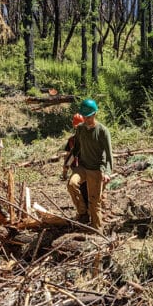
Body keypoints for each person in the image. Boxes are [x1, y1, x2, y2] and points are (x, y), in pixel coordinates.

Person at [67, 99, 114, 233]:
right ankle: (82, 212)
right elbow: (76, 149)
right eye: (84, 116)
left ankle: (97, 230)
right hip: (82, 167)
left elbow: (110, 155)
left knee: (95, 203)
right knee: (71, 184)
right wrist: (67, 164)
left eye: (88, 117)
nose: (86, 119)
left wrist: (108, 172)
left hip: (96, 169)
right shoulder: (80, 129)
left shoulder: (102, 131)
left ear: (94, 114)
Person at [62, 113, 88, 204]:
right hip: (77, 169)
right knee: (75, 187)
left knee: (89, 191)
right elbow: (68, 155)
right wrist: (65, 170)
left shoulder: (90, 138)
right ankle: (82, 211)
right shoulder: (72, 140)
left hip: (90, 168)